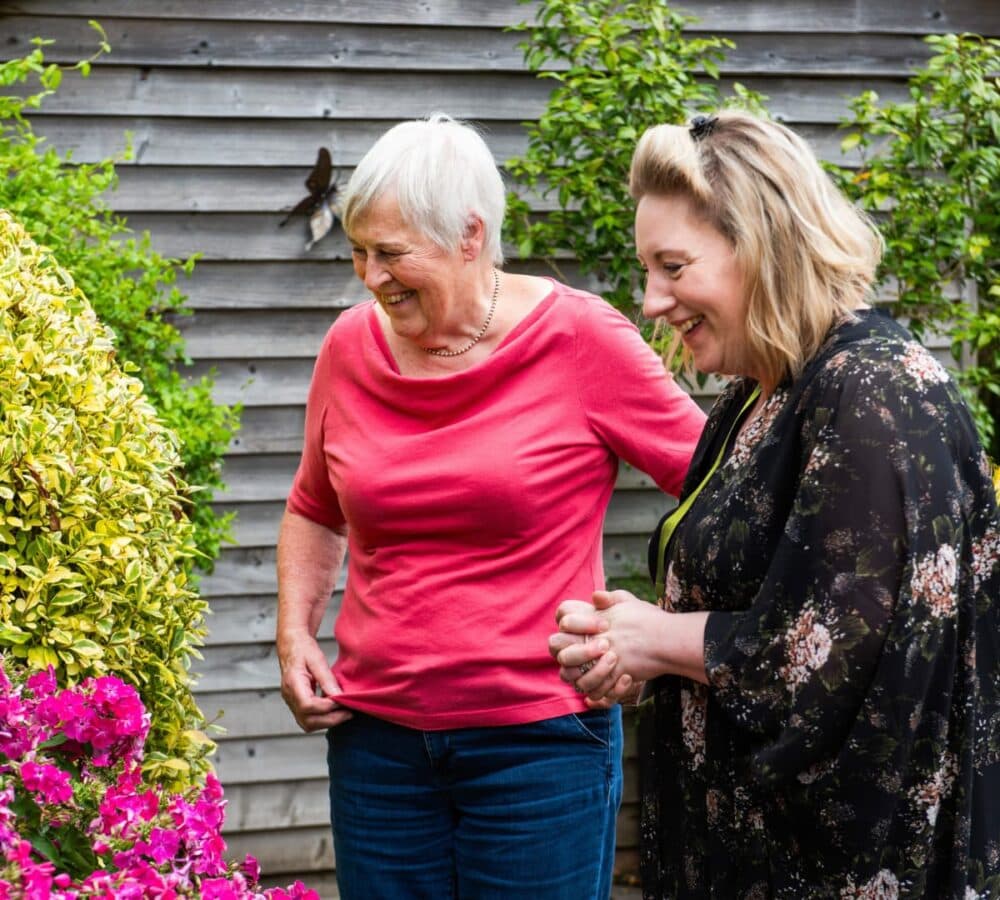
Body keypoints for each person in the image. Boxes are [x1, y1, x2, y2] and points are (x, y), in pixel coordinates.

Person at [550, 110, 1000, 899]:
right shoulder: (762, 394)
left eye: (673, 266)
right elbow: (762, 602)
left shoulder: (874, 395)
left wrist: (662, 637)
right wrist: (636, 645)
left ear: (760, 244)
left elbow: (843, 659)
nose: (652, 300)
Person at [275, 113, 706, 900]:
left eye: (393, 253)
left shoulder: (581, 340)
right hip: (377, 746)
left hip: (540, 746)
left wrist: (659, 633)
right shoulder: (347, 347)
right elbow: (314, 506)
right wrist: (294, 630)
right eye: (359, 252)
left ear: (470, 237)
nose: (371, 276)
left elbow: (723, 495)